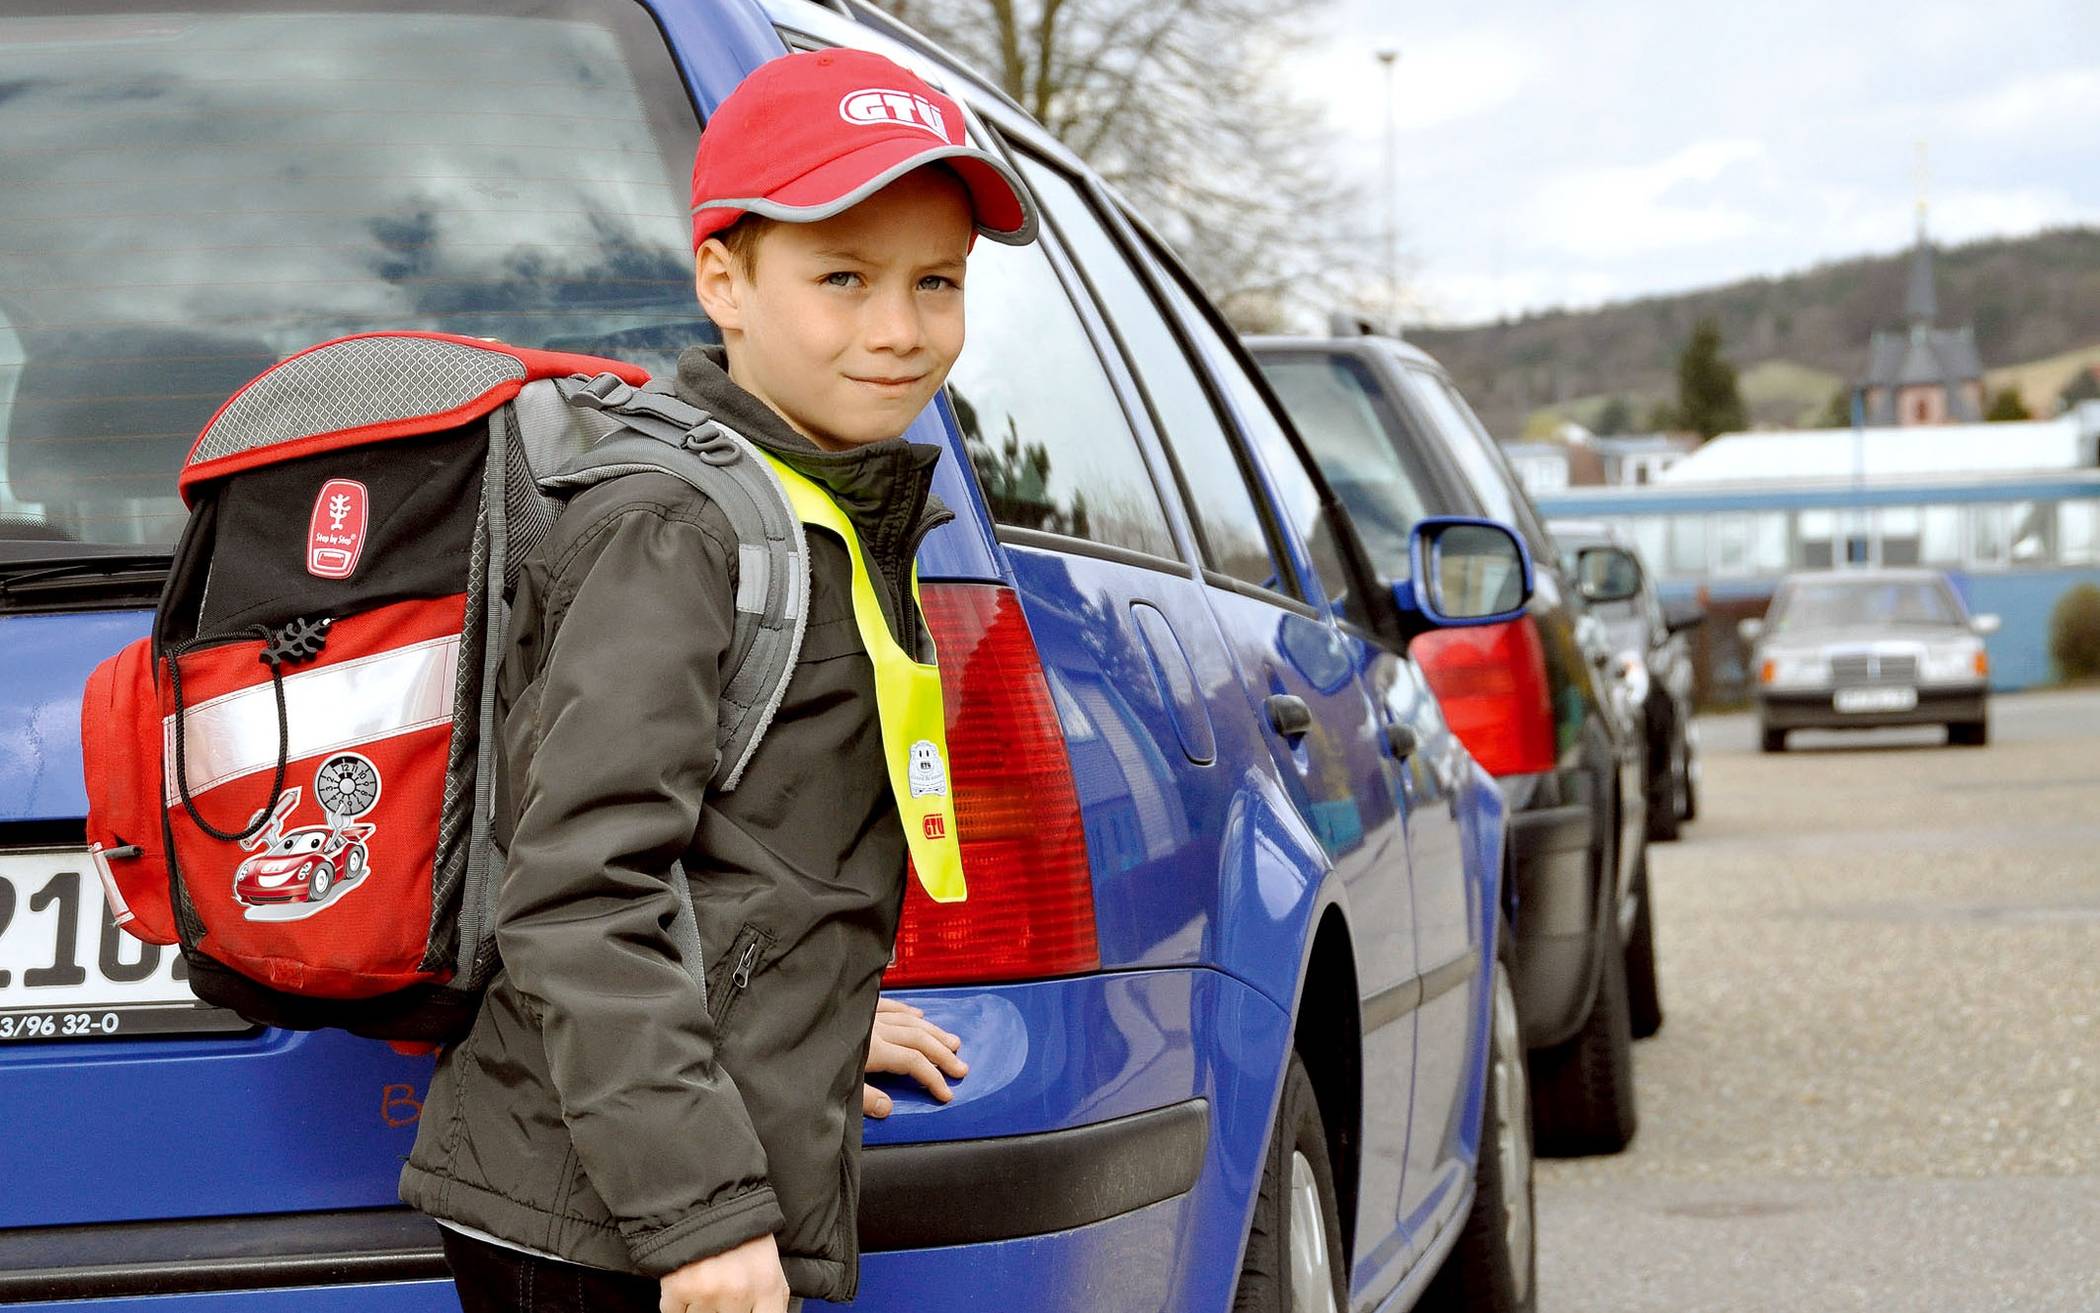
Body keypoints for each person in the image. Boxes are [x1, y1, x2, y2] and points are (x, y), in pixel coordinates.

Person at [399, 47, 1038, 1313]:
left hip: (652, 1177)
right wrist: (700, 1214)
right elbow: (581, 891)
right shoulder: (677, 528)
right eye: (843, 277)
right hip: (600, 1223)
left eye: (937, 282)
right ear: (723, 279)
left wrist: (819, 1023)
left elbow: (746, 853)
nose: (899, 328)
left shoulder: (819, 509)